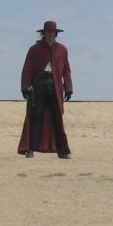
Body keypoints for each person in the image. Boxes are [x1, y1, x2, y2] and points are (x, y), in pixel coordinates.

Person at [18, 21, 73, 159]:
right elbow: (27, 69)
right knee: (35, 117)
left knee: (57, 118)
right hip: (39, 86)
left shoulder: (62, 49)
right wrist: (25, 87)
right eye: (48, 32)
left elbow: (66, 71)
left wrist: (68, 88)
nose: (50, 35)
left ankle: (62, 151)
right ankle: (30, 149)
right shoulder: (34, 49)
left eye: (52, 32)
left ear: (56, 34)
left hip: (55, 87)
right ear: (44, 33)